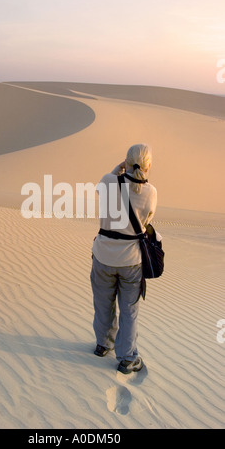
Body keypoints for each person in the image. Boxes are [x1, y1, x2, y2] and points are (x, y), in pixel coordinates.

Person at [90, 143, 157, 374]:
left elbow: (101, 190)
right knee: (129, 310)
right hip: (131, 261)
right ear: (148, 166)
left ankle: (103, 344)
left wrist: (116, 171)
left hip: (103, 256)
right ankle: (128, 358)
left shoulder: (109, 181)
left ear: (125, 162)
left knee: (102, 304)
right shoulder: (151, 192)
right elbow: (146, 221)